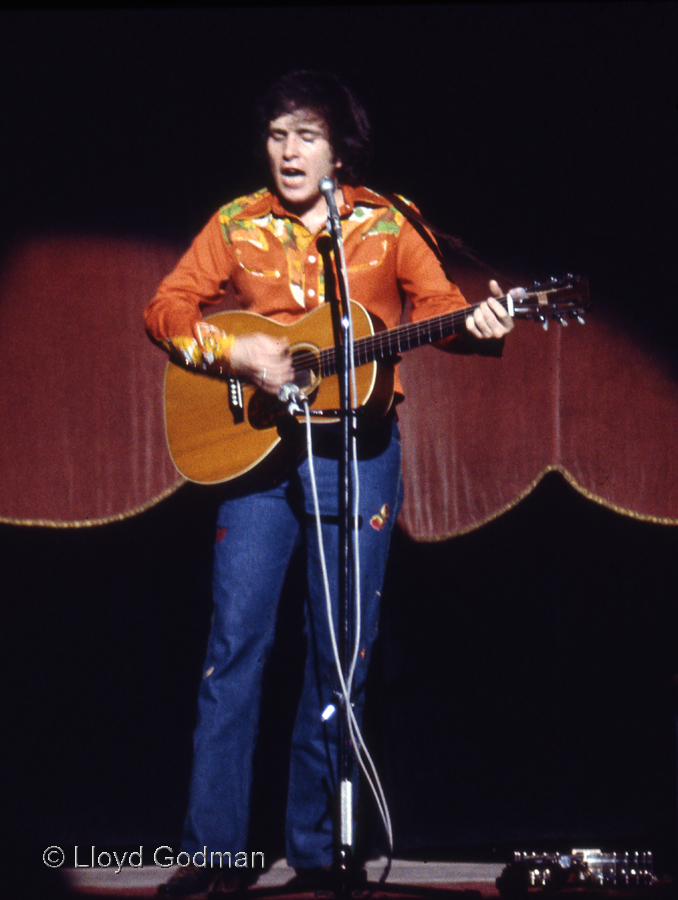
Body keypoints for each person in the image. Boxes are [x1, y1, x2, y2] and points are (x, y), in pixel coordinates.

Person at [144, 71, 513, 897]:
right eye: (277, 135)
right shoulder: (238, 222)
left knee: (339, 655)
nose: (289, 152)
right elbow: (165, 308)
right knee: (234, 648)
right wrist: (236, 351)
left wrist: (481, 326)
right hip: (255, 462)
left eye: (306, 136)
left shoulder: (386, 223)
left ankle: (318, 849)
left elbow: (441, 308)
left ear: (340, 149)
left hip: (358, 448)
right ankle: (215, 857)